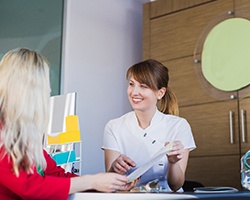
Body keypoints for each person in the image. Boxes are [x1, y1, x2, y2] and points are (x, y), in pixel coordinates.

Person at [0, 48, 137, 200]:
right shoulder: (3, 133)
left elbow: (58, 175)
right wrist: (92, 181)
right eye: (44, 84)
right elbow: (30, 186)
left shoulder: (23, 136)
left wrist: (107, 183)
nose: (49, 89)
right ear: (27, 88)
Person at [102, 59, 196, 192]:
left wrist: (173, 163)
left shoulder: (179, 126)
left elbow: (176, 185)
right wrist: (114, 168)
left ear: (160, 93)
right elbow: (111, 183)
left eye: (143, 86)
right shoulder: (113, 126)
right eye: (131, 84)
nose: (134, 92)